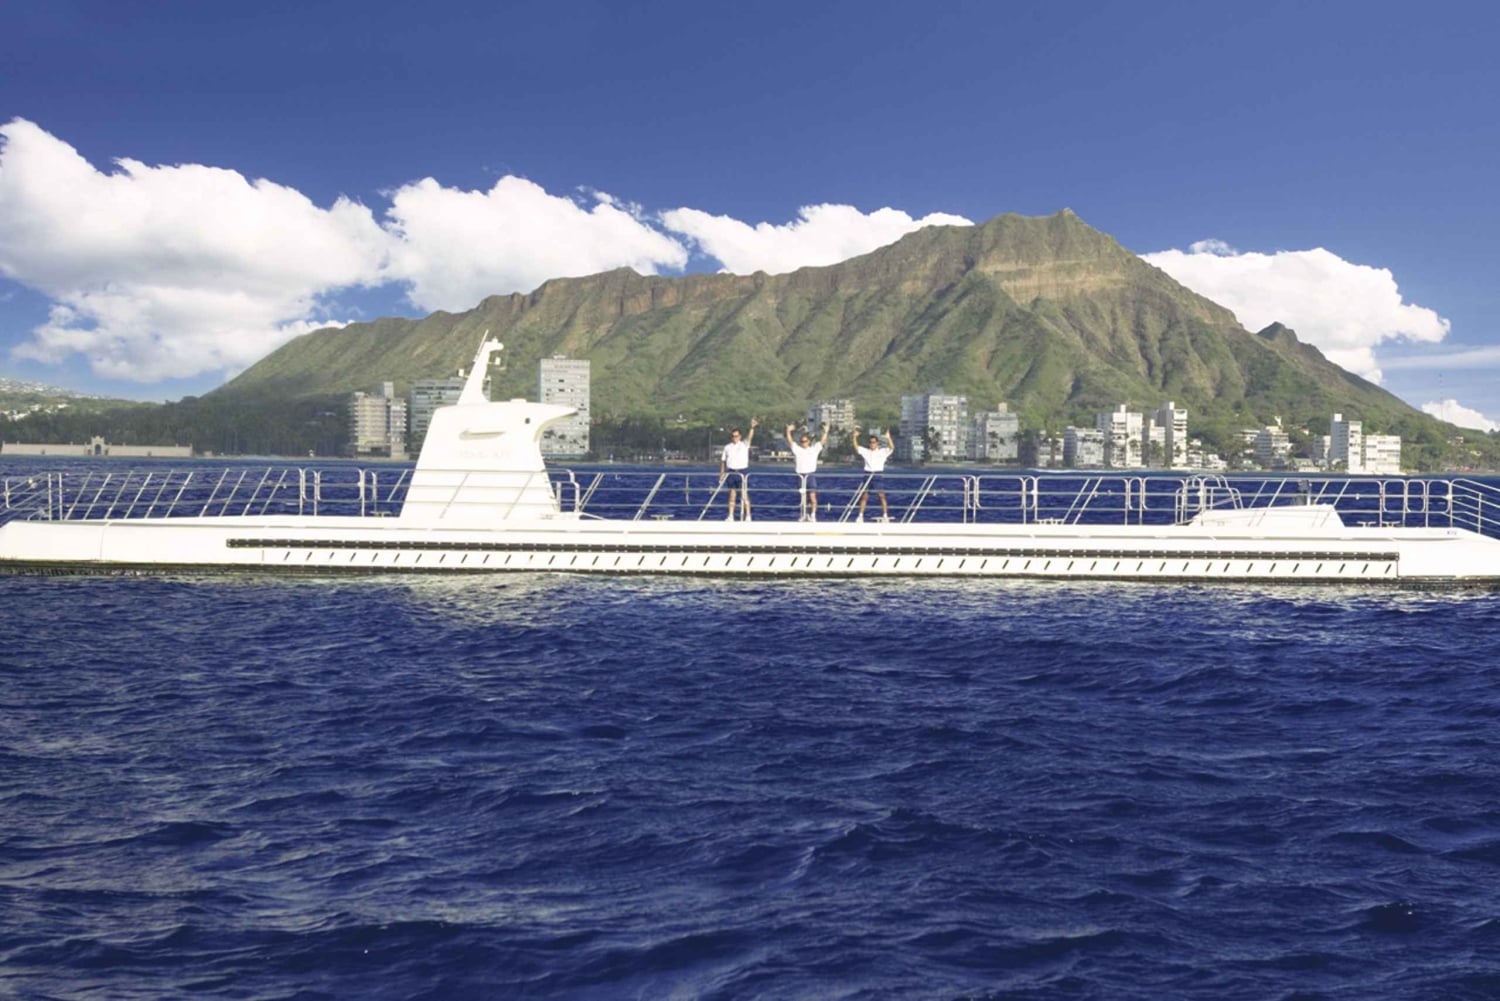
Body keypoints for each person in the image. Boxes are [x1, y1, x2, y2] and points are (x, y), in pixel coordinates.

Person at [785, 423, 829, 521]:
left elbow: (822, 442)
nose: (803, 443)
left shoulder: (814, 449)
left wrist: (825, 432)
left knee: (812, 496)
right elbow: (790, 441)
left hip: (810, 475)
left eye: (805, 441)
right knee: (803, 498)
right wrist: (788, 431)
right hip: (800, 476)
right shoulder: (798, 450)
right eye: (802, 441)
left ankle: (813, 515)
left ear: (809, 442)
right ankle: (803, 514)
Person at [852, 427, 894, 522]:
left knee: (881, 495)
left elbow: (891, 447)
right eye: (871, 442)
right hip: (867, 474)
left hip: (878, 474)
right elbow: (856, 447)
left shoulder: (882, 452)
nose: (872, 444)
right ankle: (860, 516)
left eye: (874, 442)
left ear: (877, 443)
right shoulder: (866, 451)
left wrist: (888, 438)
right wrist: (854, 437)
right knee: (864, 496)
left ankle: (885, 515)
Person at [719, 417, 758, 520]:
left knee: (744, 494)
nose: (734, 438)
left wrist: (752, 427)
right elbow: (723, 461)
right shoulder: (727, 447)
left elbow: (749, 437)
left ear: (740, 436)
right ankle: (731, 515)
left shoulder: (744, 445)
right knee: (732, 495)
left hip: (742, 471)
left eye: (736, 436)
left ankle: (748, 515)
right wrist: (722, 473)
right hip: (731, 471)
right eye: (733, 436)